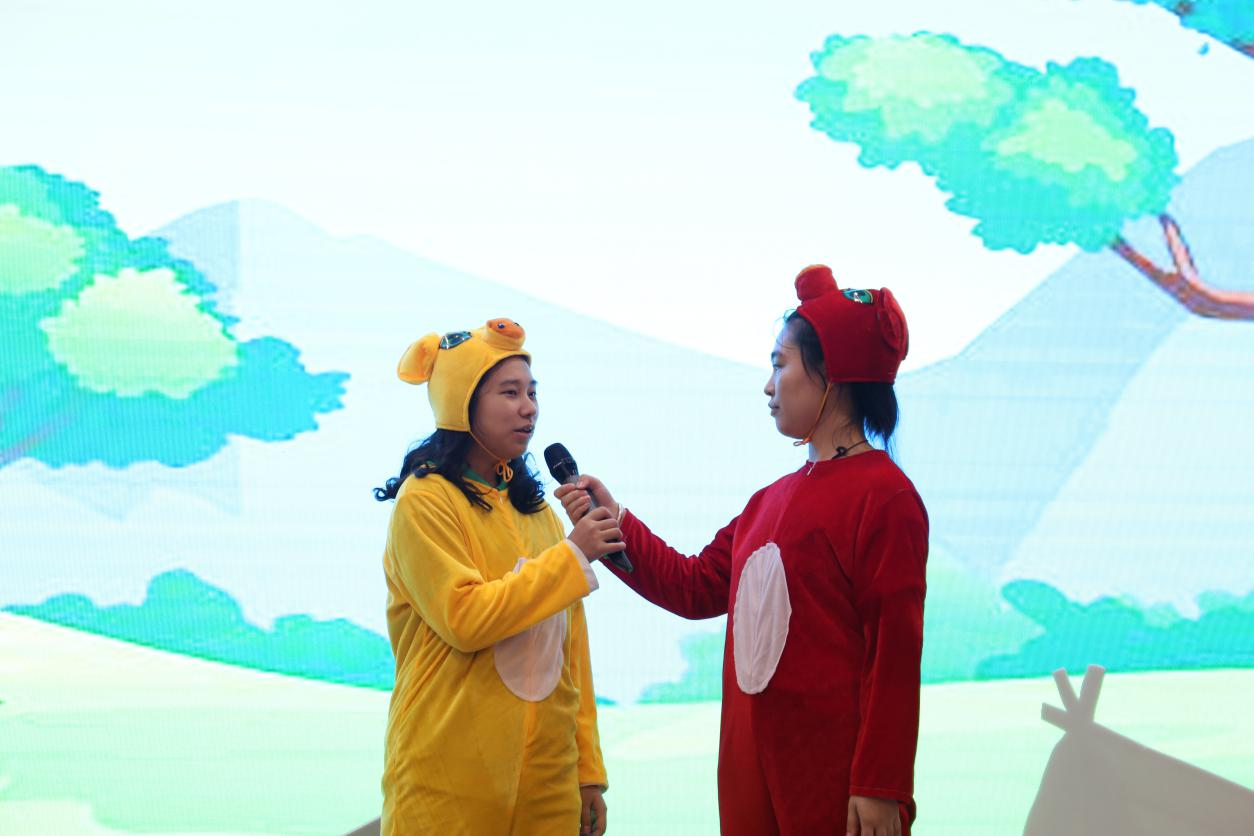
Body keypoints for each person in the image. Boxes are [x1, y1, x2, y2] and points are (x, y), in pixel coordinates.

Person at [556, 266, 929, 836]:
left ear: (832, 373)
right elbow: (694, 586)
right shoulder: (768, 501)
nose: (768, 385)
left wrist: (881, 784)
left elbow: (894, 653)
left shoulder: (886, 496)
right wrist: (615, 523)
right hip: (749, 780)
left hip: (834, 785)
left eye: (780, 364)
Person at [374, 317, 623, 836]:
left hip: (548, 783)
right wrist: (572, 556)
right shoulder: (425, 501)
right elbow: (465, 618)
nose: (529, 407)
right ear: (462, 403)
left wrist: (587, 771)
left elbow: (570, 648)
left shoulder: (538, 511)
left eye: (532, 392)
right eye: (509, 393)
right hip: (449, 781)